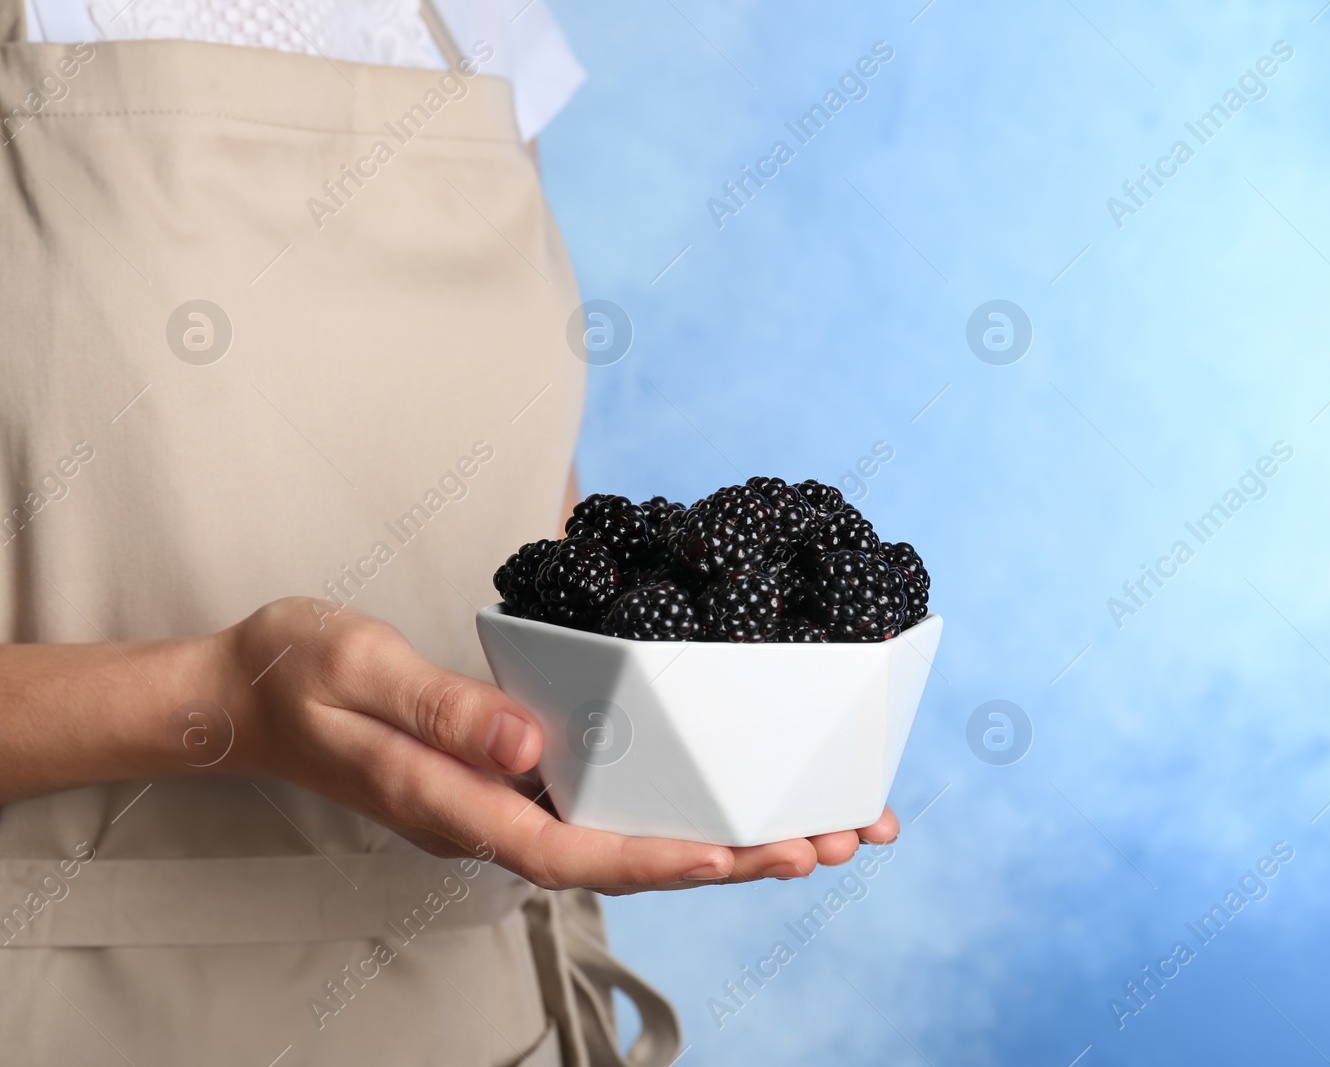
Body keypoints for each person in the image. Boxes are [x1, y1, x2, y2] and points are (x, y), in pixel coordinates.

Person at [0, 2, 898, 1064]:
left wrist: (659, 696)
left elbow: (534, 516)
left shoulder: (480, 20)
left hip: (484, 1003)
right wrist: (220, 697)